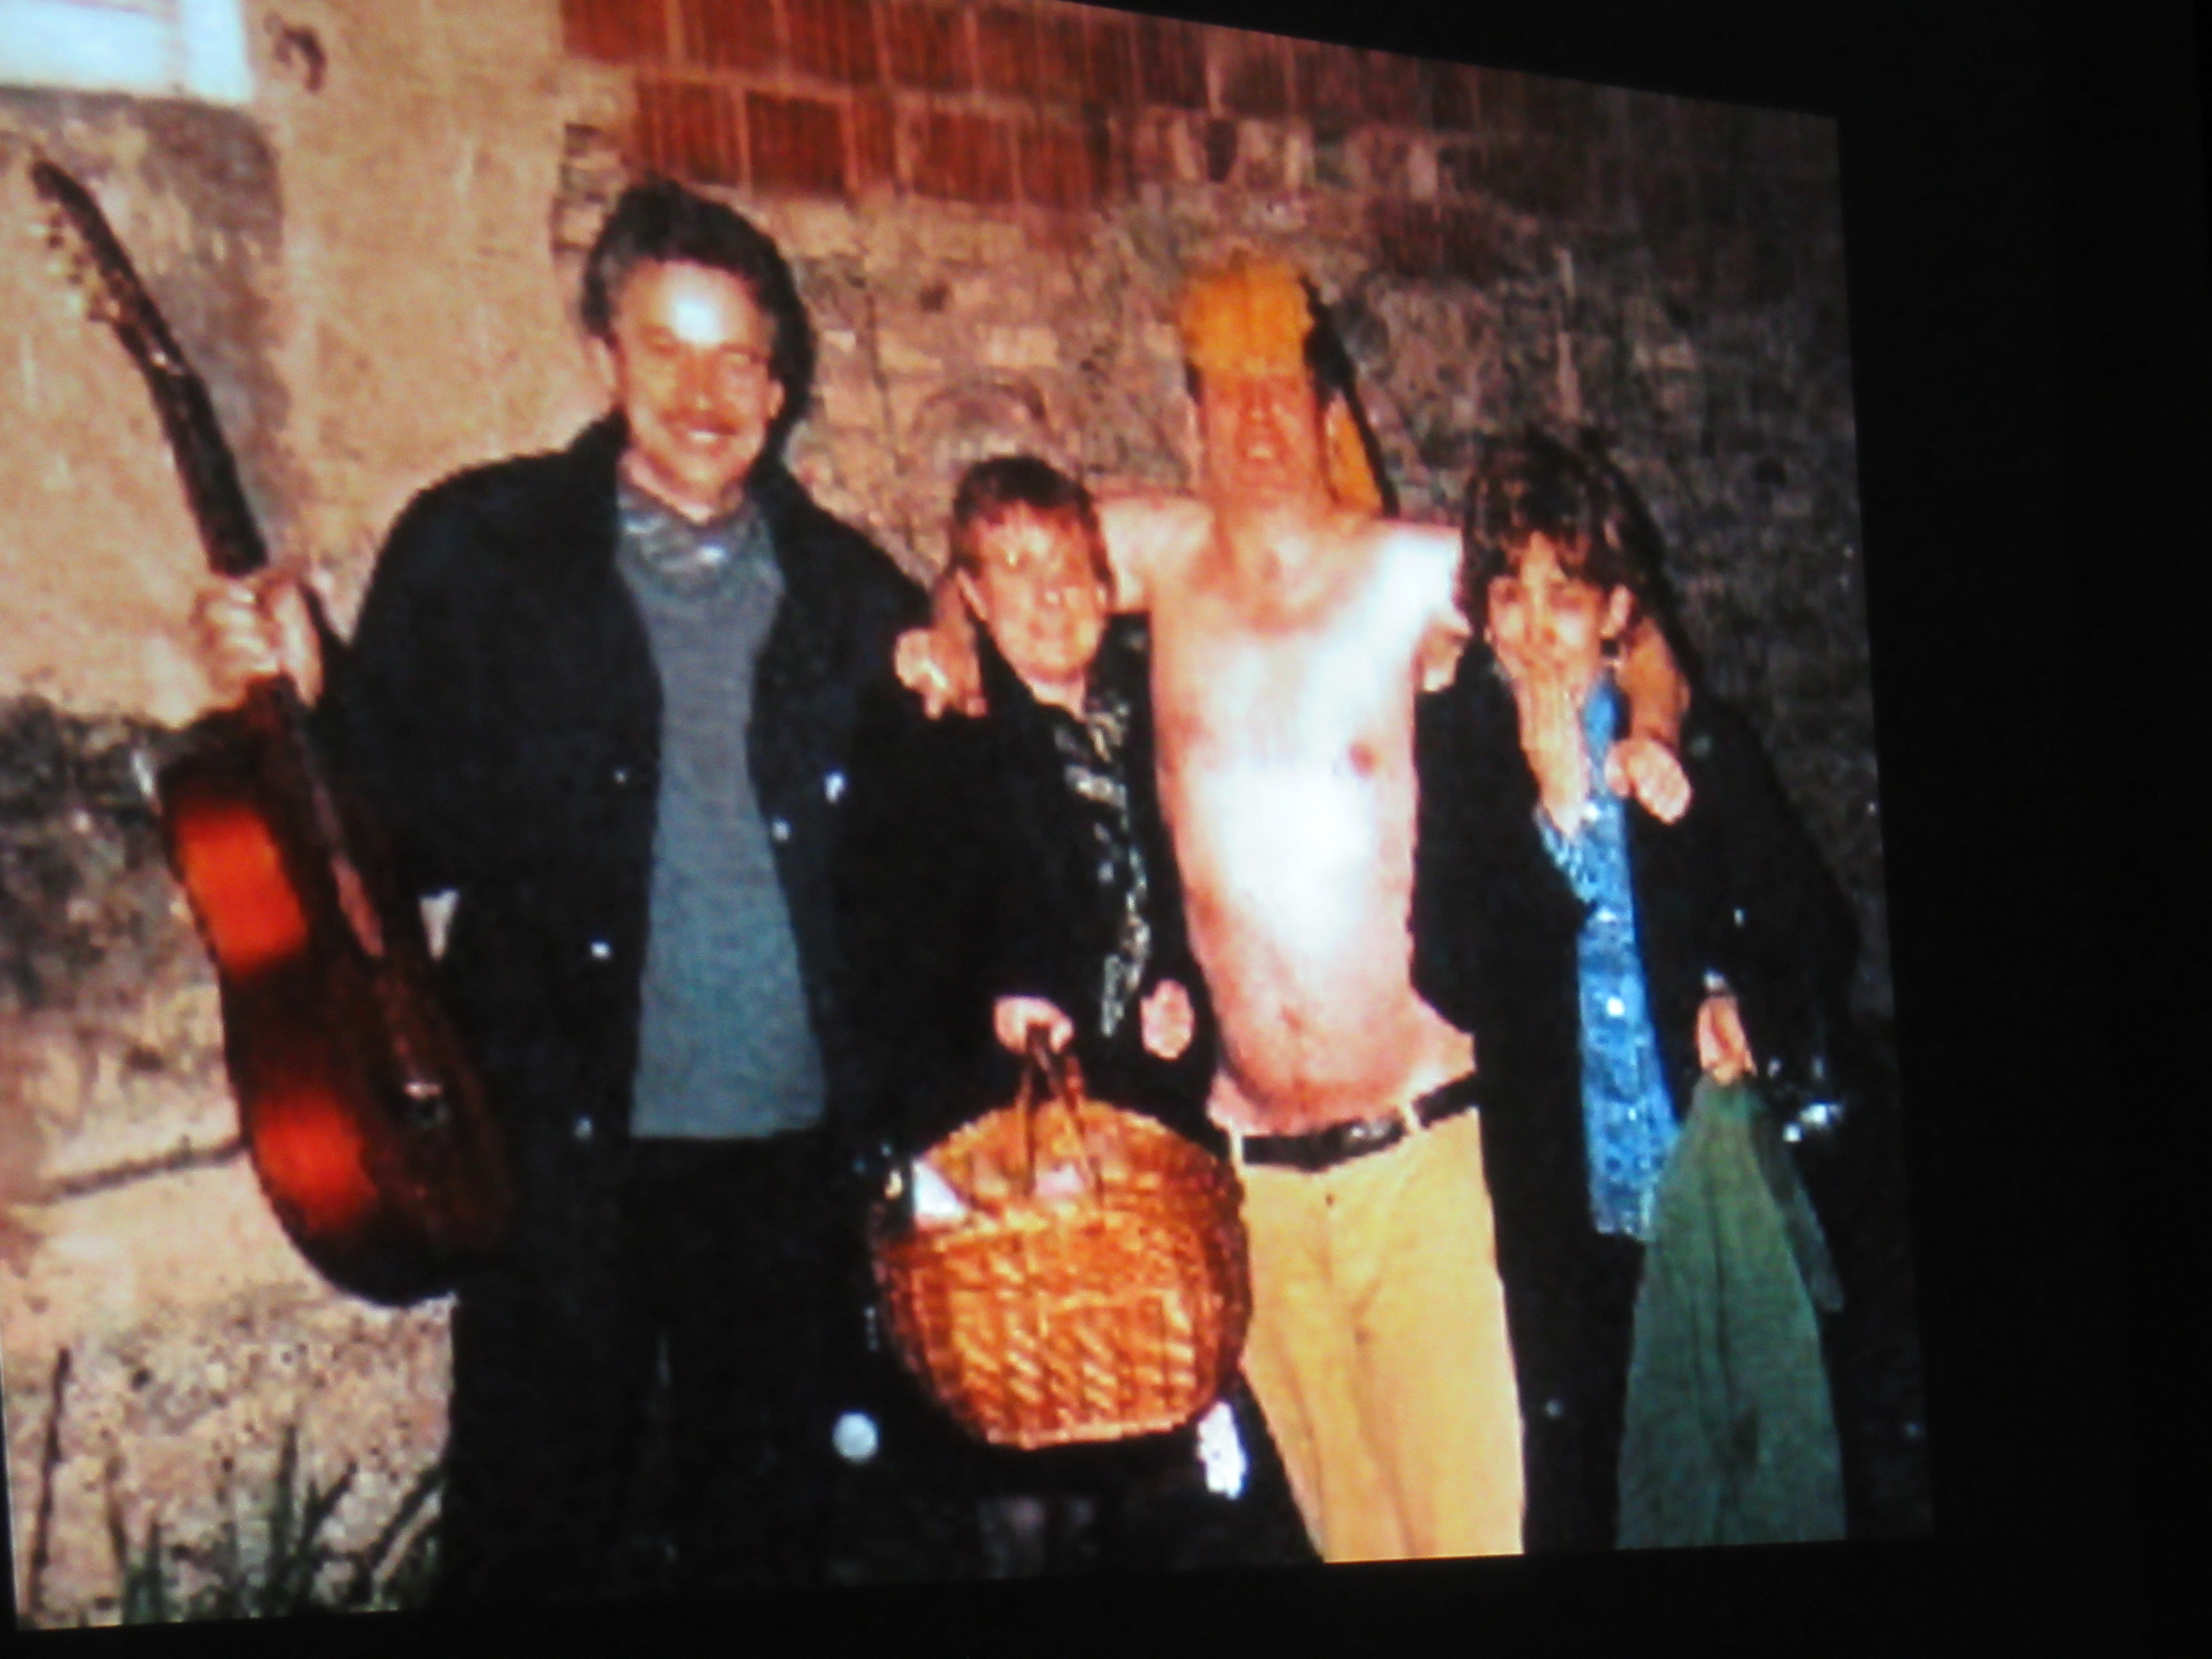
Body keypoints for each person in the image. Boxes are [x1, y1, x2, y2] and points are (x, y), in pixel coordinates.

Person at [189, 178, 927, 1602]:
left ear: (779, 389)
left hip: (787, 1169)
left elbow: (921, 868)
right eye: (666, 349)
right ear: (603, 356)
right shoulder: (479, 550)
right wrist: (306, 690)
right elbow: (393, 838)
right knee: (536, 1536)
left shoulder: (855, 597)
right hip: (557, 1157)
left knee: (767, 1543)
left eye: (737, 360)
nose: (703, 395)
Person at [897, 253, 1693, 1563]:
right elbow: (983, 556)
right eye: (1230, 393)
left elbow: (1633, 619)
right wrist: (946, 631)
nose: (1259, 420)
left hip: (1419, 1160)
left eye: (1285, 390)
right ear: (1191, 417)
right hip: (1252, 1176)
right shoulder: (1155, 554)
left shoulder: (1410, 574)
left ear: (1332, 414)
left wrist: (1648, 730)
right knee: (1348, 1543)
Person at [838, 454, 1310, 1575]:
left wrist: (1176, 996)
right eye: (1014, 569)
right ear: (972, 594)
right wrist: (989, 1001)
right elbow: (879, 934)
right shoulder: (935, 726)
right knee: (1022, 1468)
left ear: (1107, 589)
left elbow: (1196, 896)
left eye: (1070, 569)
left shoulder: (1148, 717)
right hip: (997, 1155)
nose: (1049, 597)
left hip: (1130, 1152)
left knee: (1144, 1455)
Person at [1411, 427, 1857, 1549]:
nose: (1534, 626)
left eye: (1565, 596)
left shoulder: (1692, 742)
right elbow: (1448, 972)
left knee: (1731, 1488)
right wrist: (1555, 818)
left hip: (1702, 1196)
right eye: (1509, 595)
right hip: (1566, 1216)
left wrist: (1743, 1003)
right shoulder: (1467, 756)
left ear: (1617, 612)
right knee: (1587, 1496)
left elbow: (1814, 927)